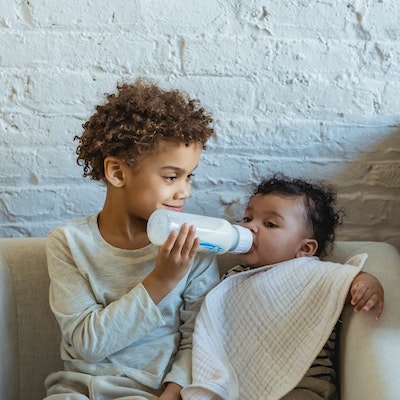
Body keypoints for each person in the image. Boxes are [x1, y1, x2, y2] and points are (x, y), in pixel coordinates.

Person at [44, 78, 220, 400]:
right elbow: (87, 344)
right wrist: (161, 280)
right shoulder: (68, 243)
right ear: (118, 173)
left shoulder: (196, 246)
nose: (186, 191)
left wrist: (173, 394)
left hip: (147, 392)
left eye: (188, 175)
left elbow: (200, 340)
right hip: (74, 391)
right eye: (171, 177)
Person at [181, 174, 384, 400]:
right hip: (239, 382)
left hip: (301, 384)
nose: (250, 227)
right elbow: (214, 325)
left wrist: (366, 284)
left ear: (305, 249)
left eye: (270, 224)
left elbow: (345, 280)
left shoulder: (312, 272)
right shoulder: (233, 277)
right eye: (248, 218)